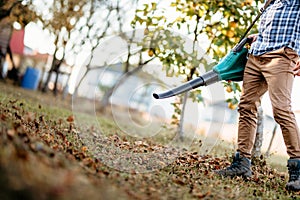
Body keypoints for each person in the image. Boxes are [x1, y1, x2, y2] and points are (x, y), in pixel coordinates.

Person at [215, 0, 300, 191]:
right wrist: (260, 36)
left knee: (281, 110)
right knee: (246, 107)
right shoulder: (271, 1)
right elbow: (275, 25)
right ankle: (242, 164)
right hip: (256, 55)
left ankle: (297, 170)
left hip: (281, 57)